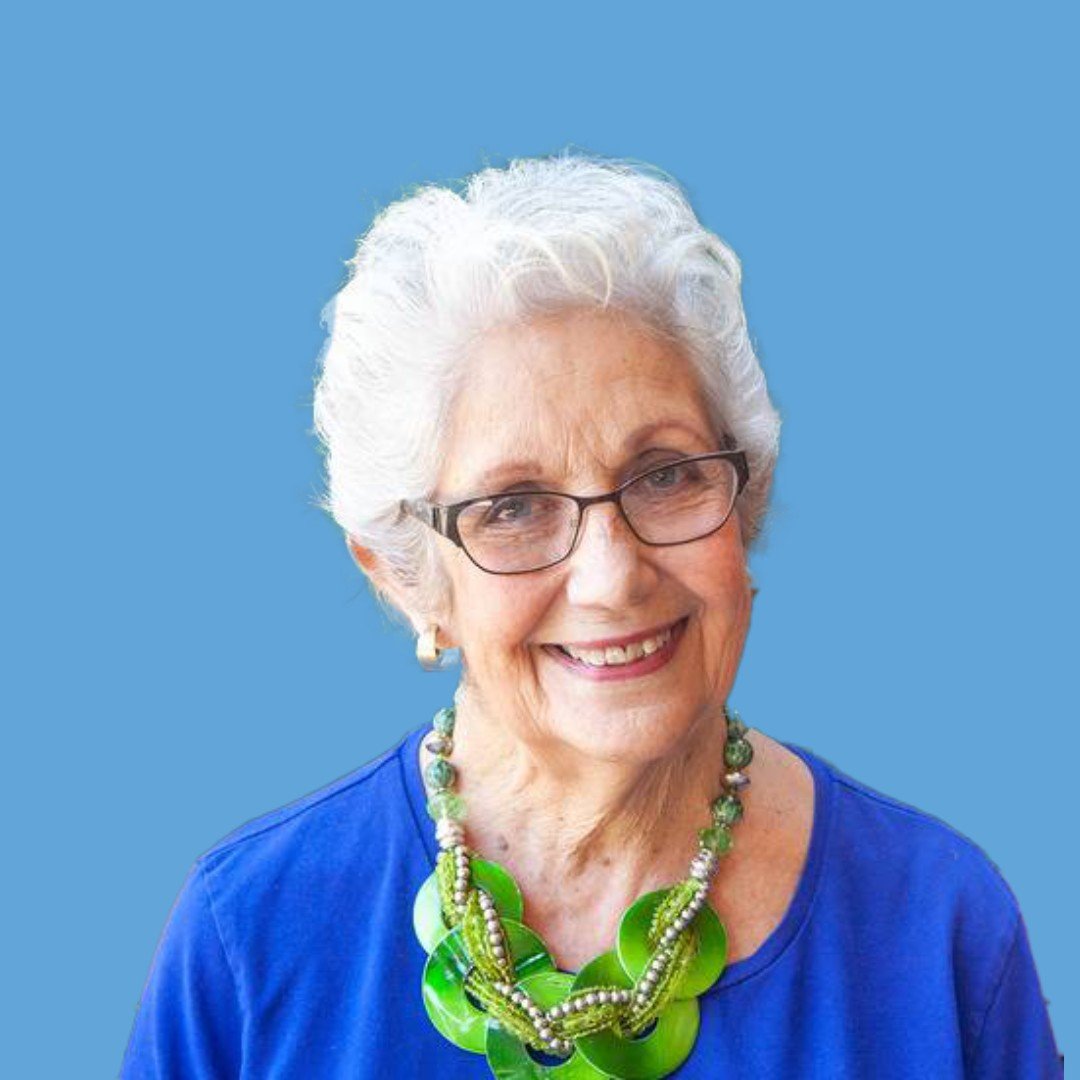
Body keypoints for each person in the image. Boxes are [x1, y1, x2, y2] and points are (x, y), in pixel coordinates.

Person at [121, 152, 1063, 1078]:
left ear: (746, 502)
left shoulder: (939, 926)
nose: (612, 578)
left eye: (666, 476)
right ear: (409, 579)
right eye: (513, 507)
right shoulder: (250, 937)